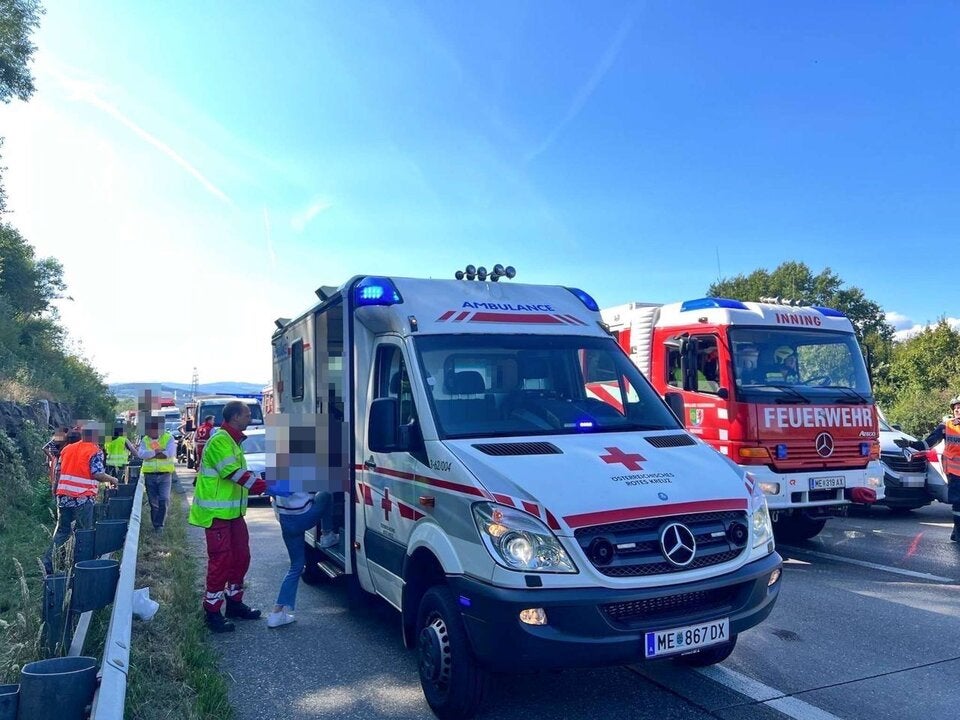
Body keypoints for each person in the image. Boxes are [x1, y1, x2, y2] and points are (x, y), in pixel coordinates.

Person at [188, 401, 267, 633]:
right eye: (247, 415)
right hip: (217, 515)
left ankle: (234, 602)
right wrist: (269, 486)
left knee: (241, 557)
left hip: (232, 514)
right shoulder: (221, 441)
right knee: (221, 562)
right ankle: (212, 612)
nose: (250, 418)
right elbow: (236, 475)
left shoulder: (232, 441)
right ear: (235, 417)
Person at [43, 422, 115, 574]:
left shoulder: (67, 449)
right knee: (83, 532)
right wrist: (112, 479)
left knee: (62, 531)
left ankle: (48, 564)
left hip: (63, 496)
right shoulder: (94, 450)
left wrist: (55, 490)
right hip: (82, 498)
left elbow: (58, 472)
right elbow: (97, 474)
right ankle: (79, 566)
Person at [267, 490, 337, 628]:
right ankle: (327, 535)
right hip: (304, 518)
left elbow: (271, 493)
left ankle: (276, 614)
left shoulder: (277, 476)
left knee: (295, 567)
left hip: (286, 521)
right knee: (327, 493)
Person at [895, 395, 960, 542]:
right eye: (955, 408)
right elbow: (928, 443)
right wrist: (911, 444)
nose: (957, 410)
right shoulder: (947, 426)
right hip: (955, 471)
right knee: (958, 502)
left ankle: (956, 532)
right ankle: (958, 533)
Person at [138, 415, 177, 532]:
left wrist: (151, 454)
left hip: (165, 475)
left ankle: (160, 525)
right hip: (150, 475)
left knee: (164, 499)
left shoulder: (168, 438)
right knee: (153, 502)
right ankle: (156, 525)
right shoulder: (145, 440)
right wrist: (156, 452)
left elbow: (169, 453)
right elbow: (141, 454)